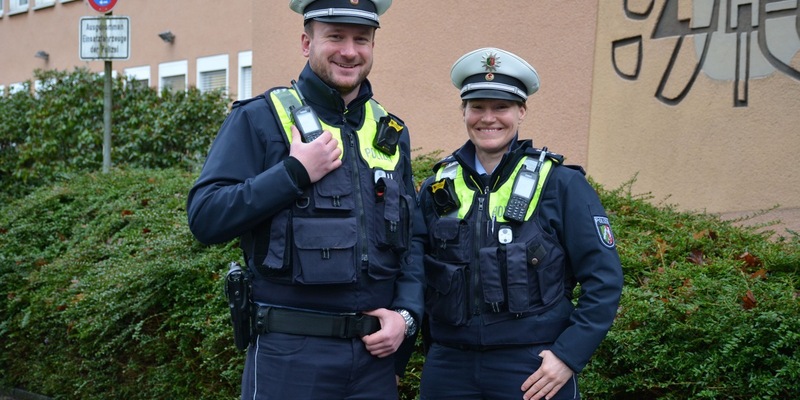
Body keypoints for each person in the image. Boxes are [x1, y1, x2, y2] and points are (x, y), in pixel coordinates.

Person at [186, 1, 423, 398]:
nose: (349, 51)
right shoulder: (260, 117)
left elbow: (413, 239)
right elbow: (206, 216)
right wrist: (293, 173)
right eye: (335, 37)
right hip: (289, 357)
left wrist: (407, 315)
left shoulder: (390, 131)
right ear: (305, 42)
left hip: (373, 362)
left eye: (361, 39)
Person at [414, 47, 624, 400]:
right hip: (449, 366)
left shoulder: (561, 184)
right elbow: (415, 276)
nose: (488, 118)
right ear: (463, 110)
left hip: (533, 367)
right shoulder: (437, 186)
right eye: (477, 106)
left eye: (501, 107)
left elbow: (604, 279)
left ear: (521, 111)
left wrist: (567, 356)